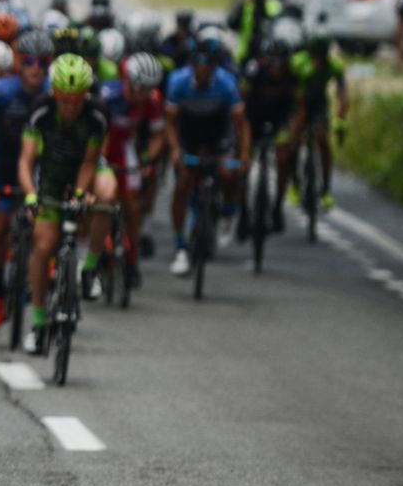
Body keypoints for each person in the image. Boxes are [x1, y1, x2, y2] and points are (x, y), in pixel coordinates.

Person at [16, 54, 112, 354]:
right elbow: (26, 159)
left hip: (84, 170)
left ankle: (90, 268)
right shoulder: (41, 110)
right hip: (52, 176)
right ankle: (39, 321)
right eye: (64, 99)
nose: (70, 106)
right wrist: (31, 195)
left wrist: (82, 195)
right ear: (55, 93)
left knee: (108, 194)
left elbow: (89, 162)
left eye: (77, 100)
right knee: (44, 245)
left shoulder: (96, 115)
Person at [0, 30, 53, 329]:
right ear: (18, 64)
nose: (36, 68)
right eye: (29, 61)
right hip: (4, 165)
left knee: (44, 230)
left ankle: (38, 276)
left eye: (43, 62)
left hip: (39, 167)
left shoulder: (52, 94)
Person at [164, 43, 251, 276]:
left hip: (218, 135)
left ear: (214, 68)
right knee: (182, 184)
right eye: (198, 66)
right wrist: (174, 149)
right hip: (189, 133)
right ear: (192, 66)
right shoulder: (178, 81)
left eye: (207, 67)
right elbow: (170, 122)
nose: (202, 72)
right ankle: (181, 244)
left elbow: (241, 124)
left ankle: (228, 210)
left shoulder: (226, 83)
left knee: (228, 173)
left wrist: (243, 155)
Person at [100, 52, 167, 292]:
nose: (143, 94)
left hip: (126, 148)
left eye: (149, 89)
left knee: (132, 205)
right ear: (129, 81)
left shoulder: (153, 100)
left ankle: (131, 260)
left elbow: (159, 135)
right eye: (140, 87)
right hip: (102, 147)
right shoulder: (109, 95)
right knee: (101, 198)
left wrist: (148, 159)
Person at [241, 34, 301, 231]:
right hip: (253, 118)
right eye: (271, 59)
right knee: (244, 161)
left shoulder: (292, 74)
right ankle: (243, 210)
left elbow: (299, 107)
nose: (275, 64)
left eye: (280, 60)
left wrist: (292, 134)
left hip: (280, 119)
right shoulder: (254, 70)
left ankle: (276, 207)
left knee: (284, 157)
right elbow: (241, 104)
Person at [288, 33, 349, 213]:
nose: (317, 63)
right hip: (298, 100)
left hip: (319, 102)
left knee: (323, 140)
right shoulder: (298, 64)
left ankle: (326, 189)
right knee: (294, 141)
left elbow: (343, 96)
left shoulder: (334, 66)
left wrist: (340, 120)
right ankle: (295, 182)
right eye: (314, 58)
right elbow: (296, 98)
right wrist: (295, 127)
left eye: (321, 59)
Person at [228, 0, 284, 66]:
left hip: (268, 54)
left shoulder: (274, 5)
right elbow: (231, 24)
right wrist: (240, 4)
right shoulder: (247, 4)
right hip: (246, 53)